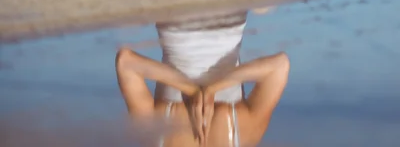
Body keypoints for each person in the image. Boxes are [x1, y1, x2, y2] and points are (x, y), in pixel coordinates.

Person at [116, 13, 290, 147]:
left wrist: (209, 89)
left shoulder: (244, 137)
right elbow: (126, 62)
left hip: (228, 19)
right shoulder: (158, 139)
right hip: (176, 22)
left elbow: (279, 66)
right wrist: (193, 89)